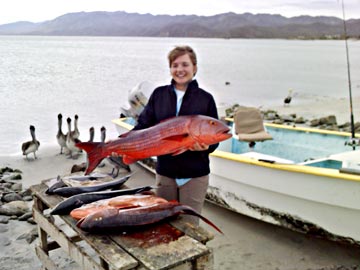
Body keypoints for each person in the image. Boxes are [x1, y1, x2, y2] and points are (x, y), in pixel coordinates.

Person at [133, 45, 219, 225]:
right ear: (170, 68)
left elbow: (216, 136)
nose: (180, 70)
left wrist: (207, 147)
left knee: (190, 225)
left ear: (194, 68)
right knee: (164, 222)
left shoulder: (206, 99)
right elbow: (143, 125)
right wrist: (123, 144)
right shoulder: (158, 94)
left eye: (185, 65)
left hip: (195, 175)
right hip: (166, 173)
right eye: (175, 65)